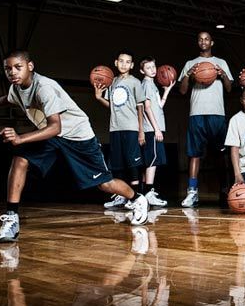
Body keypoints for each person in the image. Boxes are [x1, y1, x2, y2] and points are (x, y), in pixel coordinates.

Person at [0, 50, 148, 242]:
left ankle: (137, 199)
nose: (12, 72)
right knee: (20, 160)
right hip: (52, 135)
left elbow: (55, 127)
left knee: (105, 184)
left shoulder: (44, 88)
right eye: (8, 69)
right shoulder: (16, 88)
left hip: (77, 136)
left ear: (30, 66)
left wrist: (21, 138)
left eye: (18, 67)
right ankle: (11, 218)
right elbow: (7, 99)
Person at [178, 31, 233, 207]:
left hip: (217, 113)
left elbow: (230, 89)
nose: (203, 41)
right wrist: (188, 75)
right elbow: (182, 91)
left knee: (220, 154)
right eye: (200, 39)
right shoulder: (190, 64)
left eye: (206, 39)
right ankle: (192, 192)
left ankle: (224, 189)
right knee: (194, 154)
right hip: (196, 113)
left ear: (212, 42)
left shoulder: (221, 62)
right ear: (198, 42)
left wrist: (223, 74)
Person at [94, 51, 145, 209]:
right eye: (121, 61)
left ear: (132, 65)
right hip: (115, 128)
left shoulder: (135, 82)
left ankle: (135, 199)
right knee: (118, 165)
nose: (124, 64)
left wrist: (141, 131)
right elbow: (113, 106)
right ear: (116, 62)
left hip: (131, 128)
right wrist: (99, 97)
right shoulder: (112, 81)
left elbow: (140, 107)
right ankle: (121, 197)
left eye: (127, 62)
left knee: (132, 165)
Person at [139, 57, 174, 207]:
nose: (153, 70)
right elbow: (146, 108)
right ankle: (148, 193)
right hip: (151, 129)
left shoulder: (152, 85)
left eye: (153, 66)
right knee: (153, 161)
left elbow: (159, 105)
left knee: (150, 161)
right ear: (142, 71)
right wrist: (156, 128)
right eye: (148, 68)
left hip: (153, 129)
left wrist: (166, 91)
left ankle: (144, 193)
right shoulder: (146, 84)